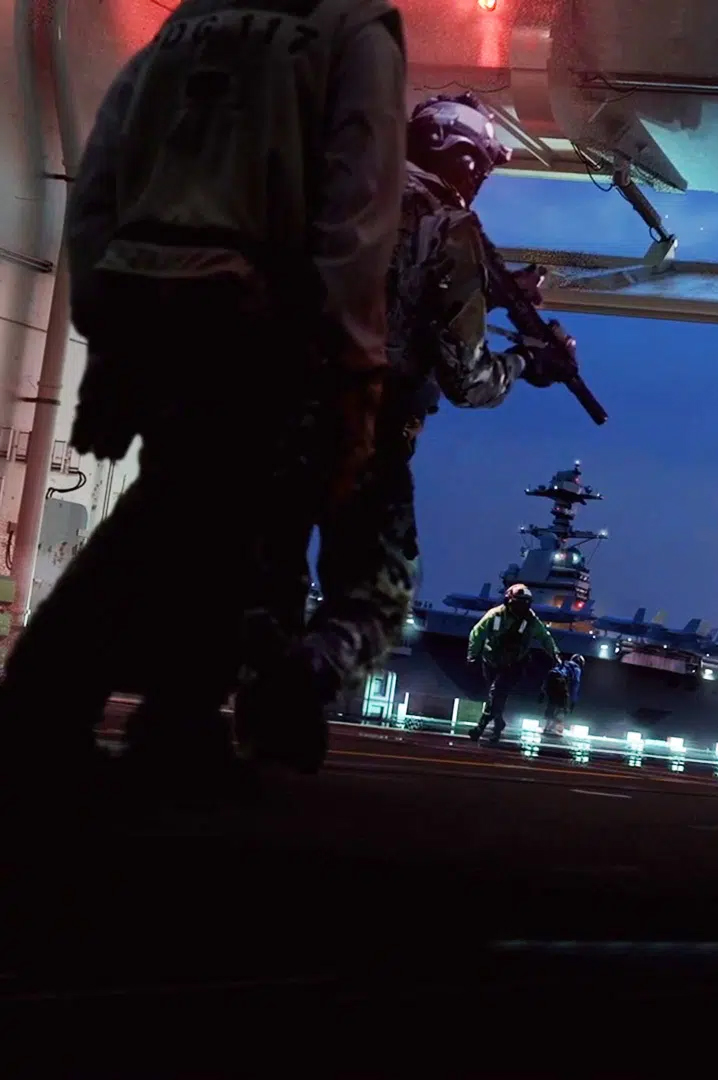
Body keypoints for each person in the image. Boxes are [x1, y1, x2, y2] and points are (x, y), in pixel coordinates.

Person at [0, 0, 408, 795]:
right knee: (202, 513)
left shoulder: (186, 21)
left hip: (145, 288)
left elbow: (104, 165)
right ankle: (54, 709)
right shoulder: (355, 27)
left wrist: (106, 316)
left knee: (204, 514)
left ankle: (168, 721)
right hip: (248, 303)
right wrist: (353, 361)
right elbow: (359, 201)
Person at [235, 92, 543, 772]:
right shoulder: (449, 227)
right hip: (366, 435)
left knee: (272, 582)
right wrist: (526, 361)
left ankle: (262, 732)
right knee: (376, 597)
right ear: (466, 161)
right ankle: (296, 697)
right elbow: (468, 380)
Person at [466, 584, 560, 745]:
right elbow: (477, 633)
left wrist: (554, 653)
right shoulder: (495, 615)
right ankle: (498, 723)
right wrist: (472, 656)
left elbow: (544, 637)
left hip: (514, 664)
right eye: (518, 603)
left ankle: (482, 728)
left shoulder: (530, 619)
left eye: (524, 603)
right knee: (496, 697)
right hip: (491, 662)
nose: (521, 607)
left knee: (496, 692)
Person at [542, 653, 586, 736]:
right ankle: (553, 728)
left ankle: (546, 727)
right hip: (560, 681)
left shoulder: (564, 664)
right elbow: (575, 684)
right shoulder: (576, 668)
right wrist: (573, 701)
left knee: (552, 703)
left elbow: (550, 674)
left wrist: (543, 691)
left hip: (551, 679)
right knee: (563, 707)